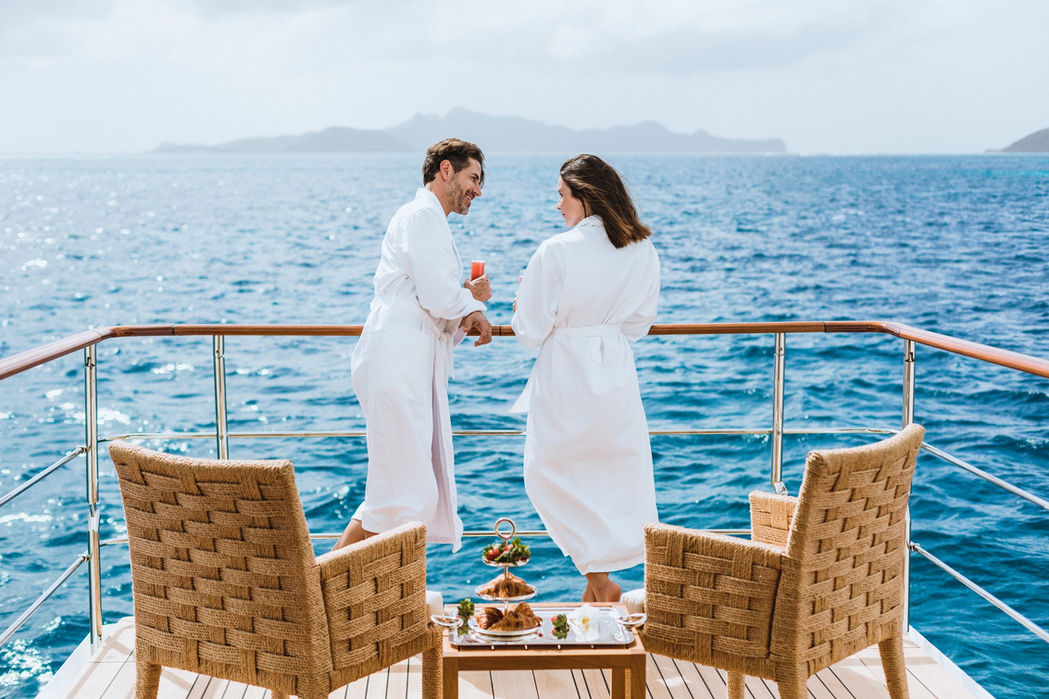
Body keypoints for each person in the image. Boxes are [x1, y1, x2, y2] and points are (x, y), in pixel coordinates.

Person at [511, 154, 660, 603]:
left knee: (545, 474)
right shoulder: (642, 249)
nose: (558, 205)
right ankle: (597, 591)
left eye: (562, 195)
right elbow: (639, 325)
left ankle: (600, 585)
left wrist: (521, 300)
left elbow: (529, 332)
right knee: (609, 479)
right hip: (614, 373)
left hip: (567, 376)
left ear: (586, 195)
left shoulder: (556, 251)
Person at [334, 138, 493, 552]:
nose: (478, 190)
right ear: (446, 170)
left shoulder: (428, 220)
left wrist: (465, 300)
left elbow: (433, 297)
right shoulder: (421, 216)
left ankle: (323, 580)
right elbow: (439, 297)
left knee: (397, 490)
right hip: (396, 362)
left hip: (405, 362)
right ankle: (353, 581)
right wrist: (472, 303)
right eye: (474, 178)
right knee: (401, 494)